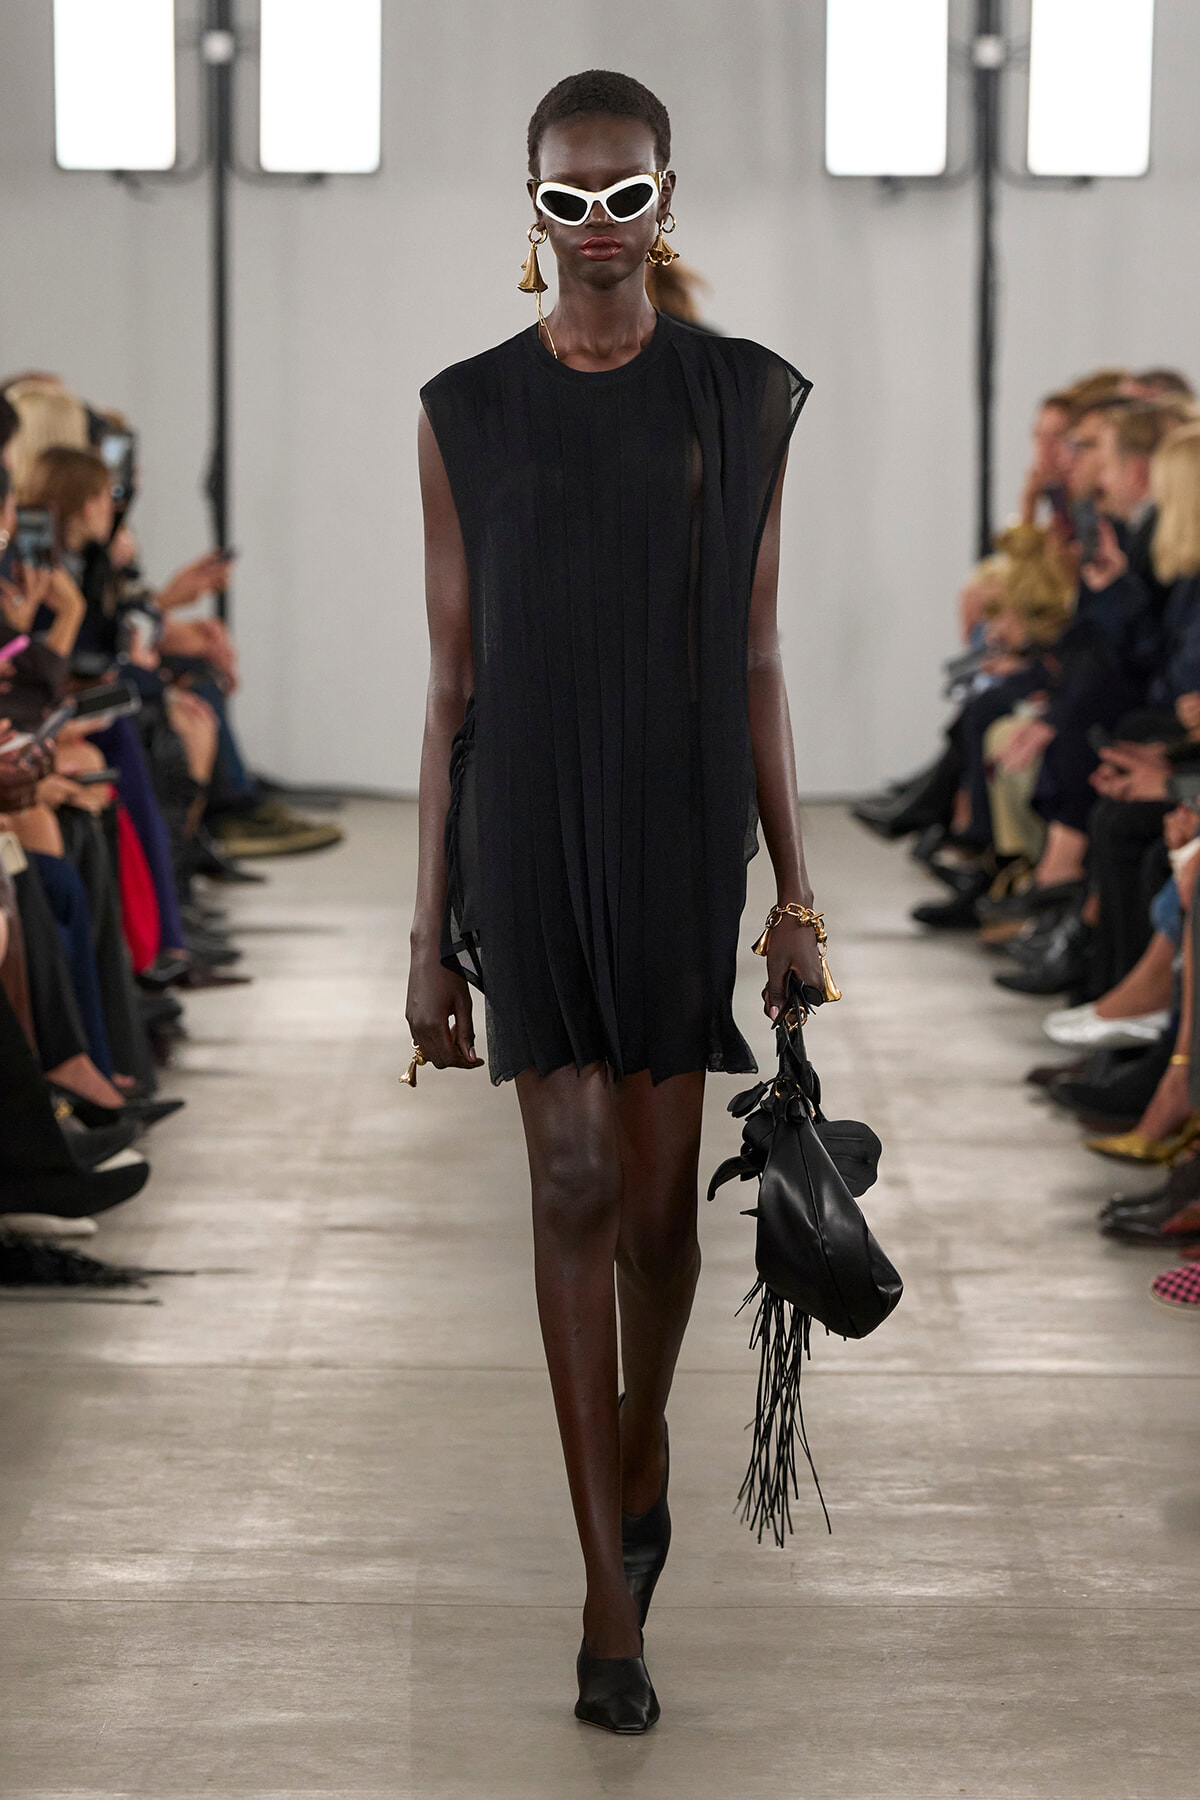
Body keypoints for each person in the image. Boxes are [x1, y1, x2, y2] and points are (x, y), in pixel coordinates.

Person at [406, 69, 822, 1734]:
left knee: (660, 1215)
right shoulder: (463, 410)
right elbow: (448, 683)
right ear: (532, 207)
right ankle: (607, 1600)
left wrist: (800, 891)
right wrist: (423, 931)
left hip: (671, 821)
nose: (596, 228)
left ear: (668, 196)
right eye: (567, 200)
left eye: (622, 195)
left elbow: (760, 654)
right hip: (526, 823)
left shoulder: (740, 400)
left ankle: (643, 1446)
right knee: (572, 1177)